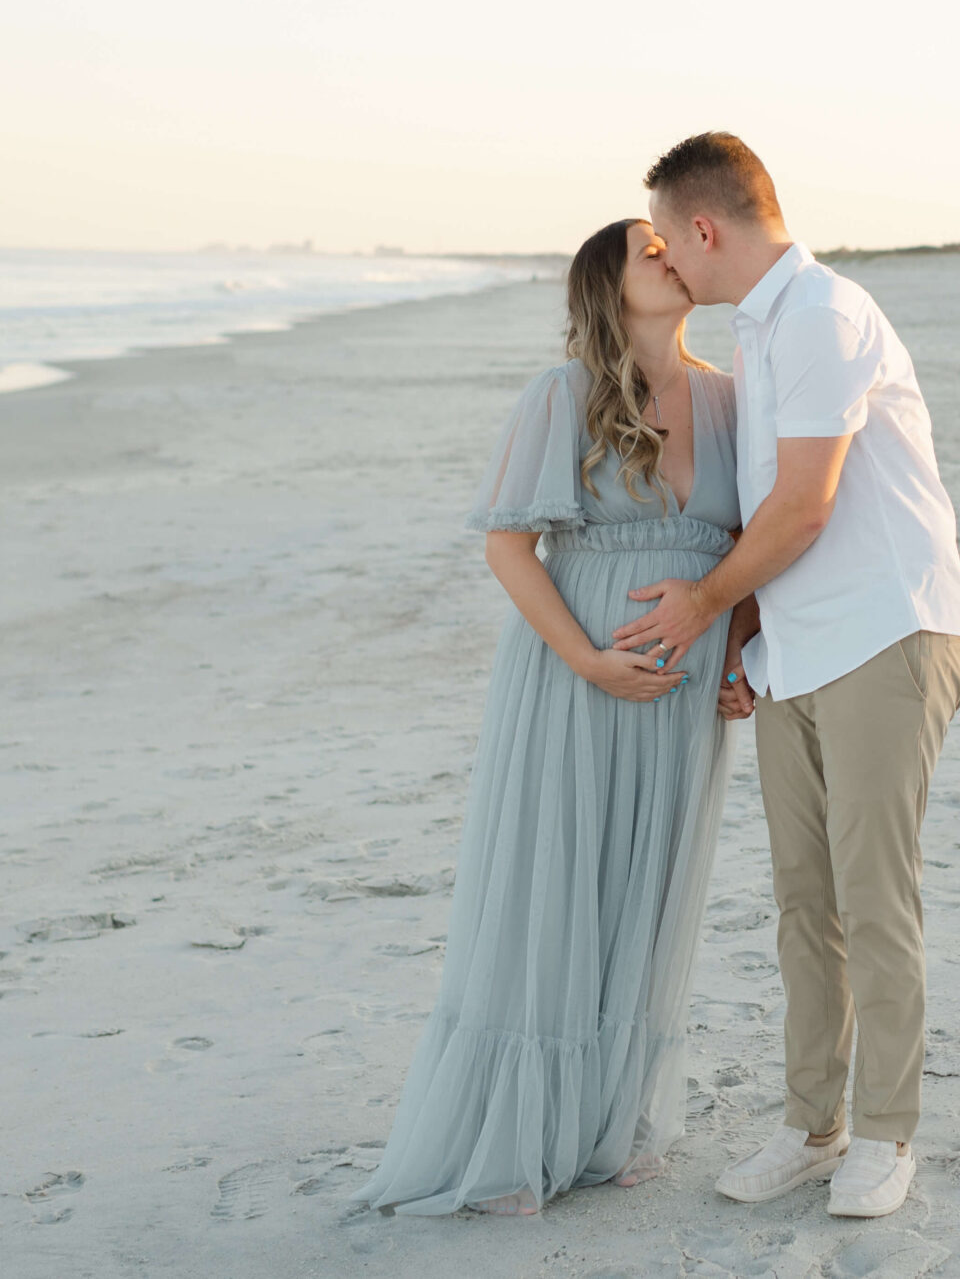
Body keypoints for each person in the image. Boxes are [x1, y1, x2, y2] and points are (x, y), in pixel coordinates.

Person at [610, 132, 960, 1220]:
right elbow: (774, 510)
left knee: (874, 898)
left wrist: (702, 603)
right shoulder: (760, 334)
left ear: (704, 229)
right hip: (801, 648)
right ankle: (812, 1126)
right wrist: (746, 648)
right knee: (800, 905)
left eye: (671, 242)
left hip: (888, 632)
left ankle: (885, 1135)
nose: (668, 262)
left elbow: (806, 506)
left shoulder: (820, 314)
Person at [354, 218, 753, 1217]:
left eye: (673, 244)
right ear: (608, 287)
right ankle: (512, 1146)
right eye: (646, 251)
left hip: (680, 698)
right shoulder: (562, 394)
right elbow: (508, 548)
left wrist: (745, 649)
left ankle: (606, 1126)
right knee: (555, 889)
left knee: (645, 896)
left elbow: (752, 546)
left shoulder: (734, 399)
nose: (670, 256)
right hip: (575, 680)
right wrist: (587, 661)